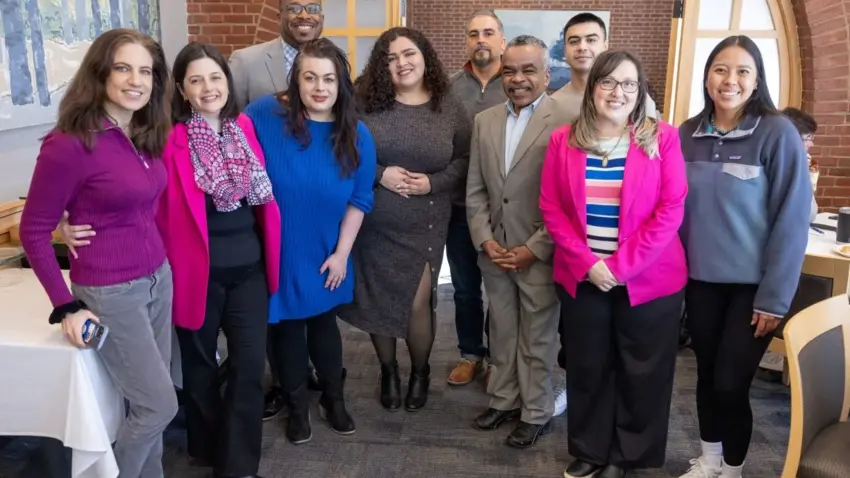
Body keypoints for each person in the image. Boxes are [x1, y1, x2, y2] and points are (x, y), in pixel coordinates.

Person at [57, 43, 282, 478]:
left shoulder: (245, 129)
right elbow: (112, 187)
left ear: (227, 81)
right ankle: (206, 446)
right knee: (198, 368)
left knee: (249, 366)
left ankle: (238, 465)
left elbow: (263, 201)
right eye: (195, 80)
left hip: (249, 270)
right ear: (180, 88)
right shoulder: (165, 137)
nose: (208, 87)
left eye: (215, 77)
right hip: (192, 273)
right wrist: (66, 222)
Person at [18, 28, 177, 478]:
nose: (136, 80)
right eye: (123, 68)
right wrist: (65, 306)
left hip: (157, 279)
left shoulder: (142, 132)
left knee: (149, 403)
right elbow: (33, 231)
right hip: (111, 292)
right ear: (100, 73)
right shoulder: (69, 143)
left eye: (145, 70)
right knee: (158, 405)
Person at [540, 50, 688, 478]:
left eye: (628, 83)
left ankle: (628, 455)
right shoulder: (562, 139)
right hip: (583, 277)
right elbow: (551, 209)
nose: (617, 92)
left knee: (642, 371)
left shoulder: (662, 138)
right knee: (588, 366)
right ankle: (590, 449)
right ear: (593, 88)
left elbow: (671, 208)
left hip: (650, 282)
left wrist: (620, 267)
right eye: (608, 82)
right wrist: (588, 263)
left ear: (640, 91)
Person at [678, 35, 811, 478]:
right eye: (720, 69)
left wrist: (774, 299)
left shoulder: (777, 132)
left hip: (753, 289)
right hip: (699, 283)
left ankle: (732, 470)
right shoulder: (686, 134)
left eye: (742, 71)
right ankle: (709, 460)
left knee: (731, 383)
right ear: (706, 76)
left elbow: (791, 221)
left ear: (756, 82)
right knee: (705, 377)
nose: (729, 80)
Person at [244, 38, 376, 444]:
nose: (320, 87)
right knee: (285, 330)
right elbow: (223, 146)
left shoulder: (356, 133)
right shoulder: (264, 114)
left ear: (342, 84)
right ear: (295, 82)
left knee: (323, 327)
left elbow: (359, 199)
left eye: (329, 79)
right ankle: (296, 405)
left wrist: (341, 255)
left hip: (326, 250)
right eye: (310, 77)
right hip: (276, 250)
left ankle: (333, 399)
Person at [339, 26, 471, 412]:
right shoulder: (365, 102)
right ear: (382, 66)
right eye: (391, 57)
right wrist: (380, 174)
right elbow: (345, 151)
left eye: (409, 53)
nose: (402, 63)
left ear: (424, 55)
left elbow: (464, 159)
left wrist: (432, 183)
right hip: (374, 222)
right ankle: (388, 370)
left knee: (417, 302)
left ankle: (420, 371)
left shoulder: (448, 104)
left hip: (425, 222)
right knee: (379, 299)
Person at [466, 35, 569, 449]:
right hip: (496, 251)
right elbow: (476, 190)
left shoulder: (566, 120)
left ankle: (536, 411)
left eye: (529, 70)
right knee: (503, 331)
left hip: (539, 252)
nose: (519, 79)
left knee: (538, 338)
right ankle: (504, 400)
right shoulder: (484, 121)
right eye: (510, 70)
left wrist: (535, 247)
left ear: (547, 74)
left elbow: (568, 198)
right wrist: (485, 239)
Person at [228, 0, 326, 419]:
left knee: (312, 294)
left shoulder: (330, 61)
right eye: (293, 7)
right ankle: (277, 382)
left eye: (313, 7)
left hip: (312, 205)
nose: (304, 15)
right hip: (262, 205)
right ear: (279, 14)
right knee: (271, 300)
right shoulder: (246, 62)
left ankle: (303, 372)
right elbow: (226, 125)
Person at [446, 8, 507, 388]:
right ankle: (470, 353)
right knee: (466, 288)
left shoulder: (517, 82)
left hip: (503, 207)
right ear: (466, 42)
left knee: (499, 288)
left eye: (488, 32)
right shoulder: (449, 87)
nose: (480, 39)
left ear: (502, 40)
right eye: (473, 34)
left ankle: (499, 360)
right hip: (457, 206)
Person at [551, 13, 658, 120]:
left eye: (591, 40)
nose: (582, 47)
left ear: (605, 46)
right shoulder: (553, 105)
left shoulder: (633, 100)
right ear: (565, 51)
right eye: (574, 41)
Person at [782, 107, 819, 222]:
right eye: (808, 137)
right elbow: (807, 214)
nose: (811, 143)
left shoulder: (805, 164)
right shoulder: (780, 168)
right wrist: (801, 171)